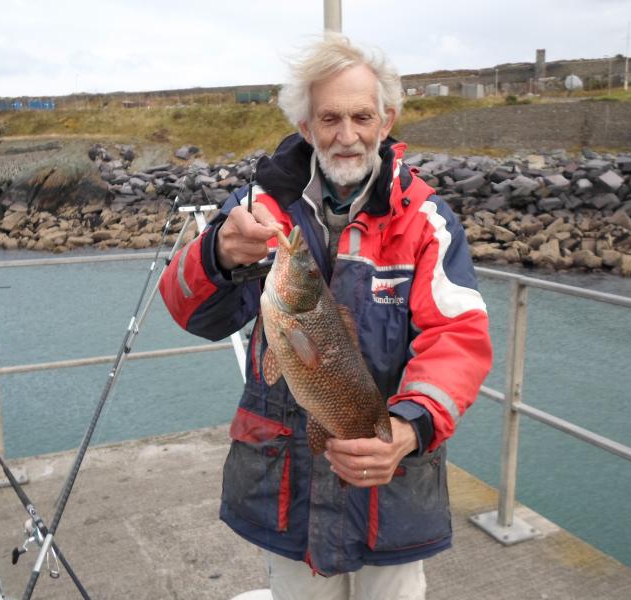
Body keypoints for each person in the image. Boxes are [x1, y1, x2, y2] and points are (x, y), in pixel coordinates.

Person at [159, 33, 492, 600]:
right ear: (306, 127)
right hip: (287, 489)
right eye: (329, 117)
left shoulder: (427, 220)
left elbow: (457, 336)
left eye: (362, 116)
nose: (346, 135)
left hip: (392, 493)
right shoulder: (257, 209)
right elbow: (190, 310)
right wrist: (217, 254)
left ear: (386, 121)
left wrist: (409, 428)